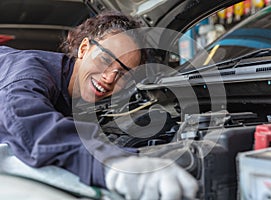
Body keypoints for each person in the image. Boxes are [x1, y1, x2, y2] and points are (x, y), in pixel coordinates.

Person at [0, 10, 198, 200]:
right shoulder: (29, 73)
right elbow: (29, 123)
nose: (109, 78)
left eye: (123, 73)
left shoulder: (71, 95)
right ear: (84, 49)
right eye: (105, 59)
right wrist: (114, 165)